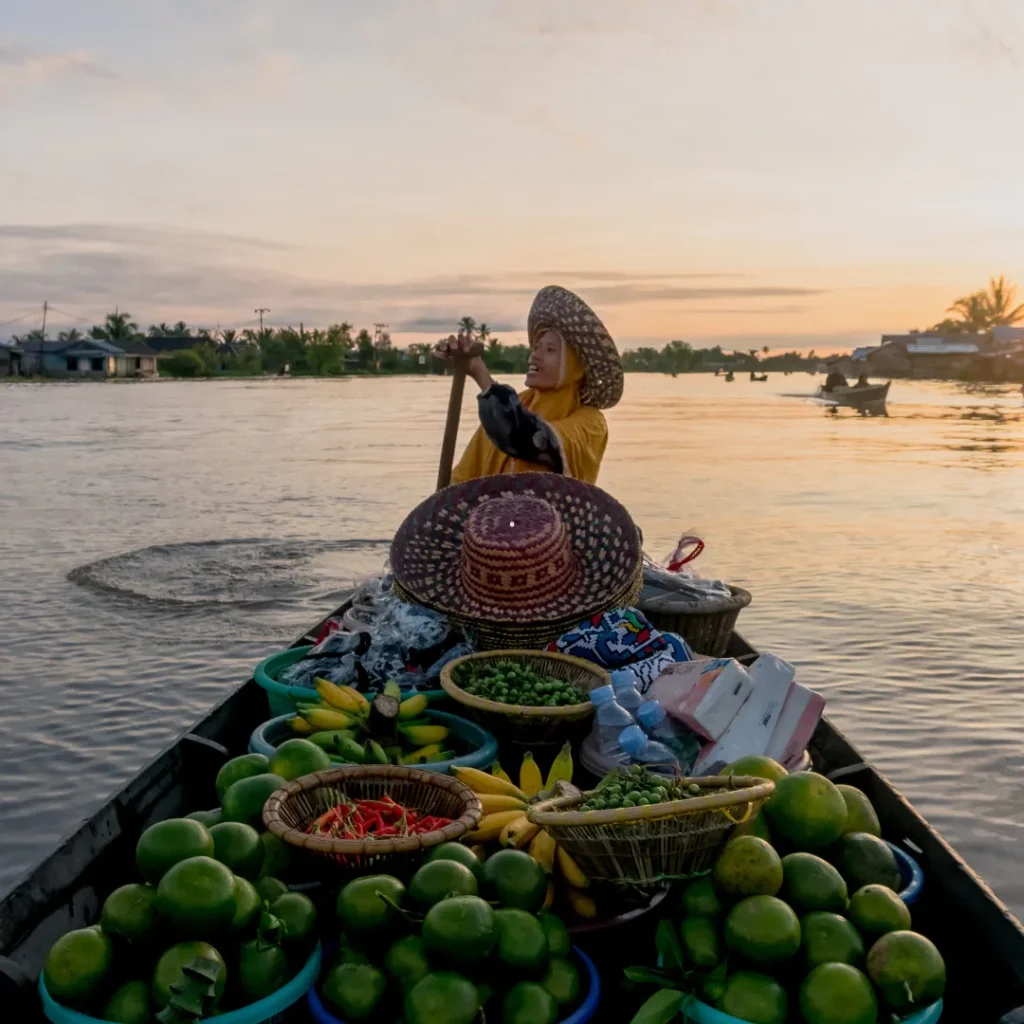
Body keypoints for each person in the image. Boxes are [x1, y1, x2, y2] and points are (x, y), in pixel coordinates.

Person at [437, 286, 623, 486]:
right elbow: (459, 484)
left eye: (550, 349)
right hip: (494, 516)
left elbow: (526, 438)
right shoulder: (518, 405)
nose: (535, 356)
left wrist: (479, 372)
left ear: (576, 368)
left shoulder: (591, 422)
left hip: (553, 517)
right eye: (536, 348)